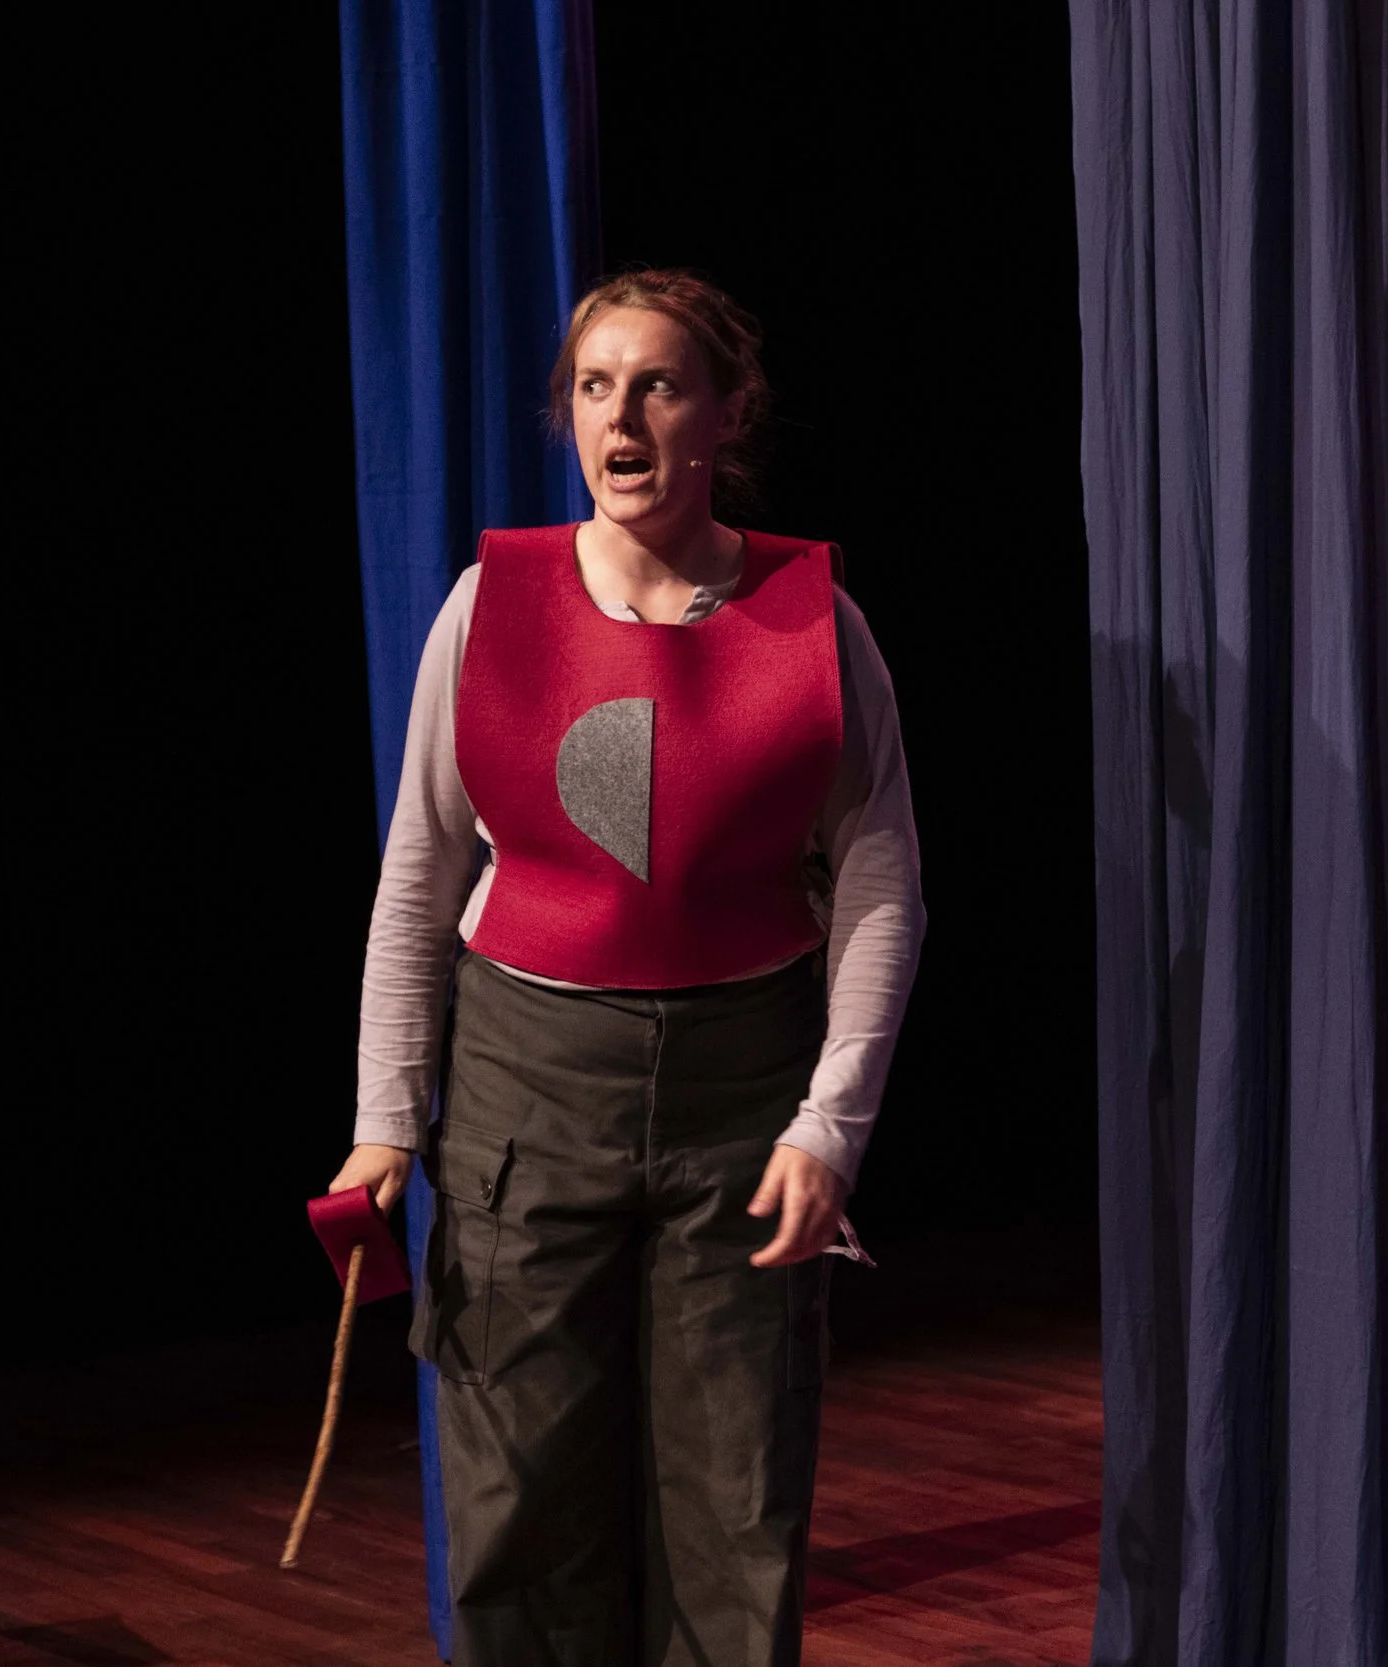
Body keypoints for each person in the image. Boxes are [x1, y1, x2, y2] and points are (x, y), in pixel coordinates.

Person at [328, 269, 924, 1665]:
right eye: (597, 385)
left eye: (659, 382)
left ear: (726, 414)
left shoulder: (814, 619)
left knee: (736, 1507)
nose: (623, 413)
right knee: (521, 1508)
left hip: (744, 1097)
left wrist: (831, 1122)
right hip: (527, 1097)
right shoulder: (494, 606)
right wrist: (380, 1121)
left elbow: (885, 881)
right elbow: (419, 876)